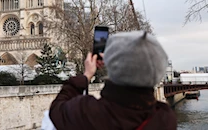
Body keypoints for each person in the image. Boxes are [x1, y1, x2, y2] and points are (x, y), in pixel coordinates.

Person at [49, 31, 177, 130]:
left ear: (112, 65)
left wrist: (86, 75)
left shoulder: (89, 113)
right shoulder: (165, 119)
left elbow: (57, 109)